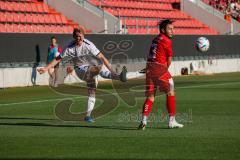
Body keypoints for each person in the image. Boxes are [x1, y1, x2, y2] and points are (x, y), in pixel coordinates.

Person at [38, 28, 127, 122]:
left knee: (92, 91)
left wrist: (112, 70)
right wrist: (46, 68)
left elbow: (102, 57)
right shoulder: (69, 48)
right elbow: (57, 59)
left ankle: (88, 116)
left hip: (90, 69)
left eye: (80, 36)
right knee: (97, 68)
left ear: (83, 36)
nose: (78, 38)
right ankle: (118, 76)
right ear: (73, 37)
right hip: (80, 70)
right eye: (76, 37)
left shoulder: (89, 45)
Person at [138, 19, 183, 130]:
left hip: (150, 68)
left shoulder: (155, 39)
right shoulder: (167, 41)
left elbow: (152, 55)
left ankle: (144, 121)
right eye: (170, 29)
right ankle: (172, 121)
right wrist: (164, 71)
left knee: (151, 96)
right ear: (163, 30)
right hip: (159, 68)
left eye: (173, 29)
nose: (172, 31)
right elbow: (169, 59)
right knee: (170, 91)